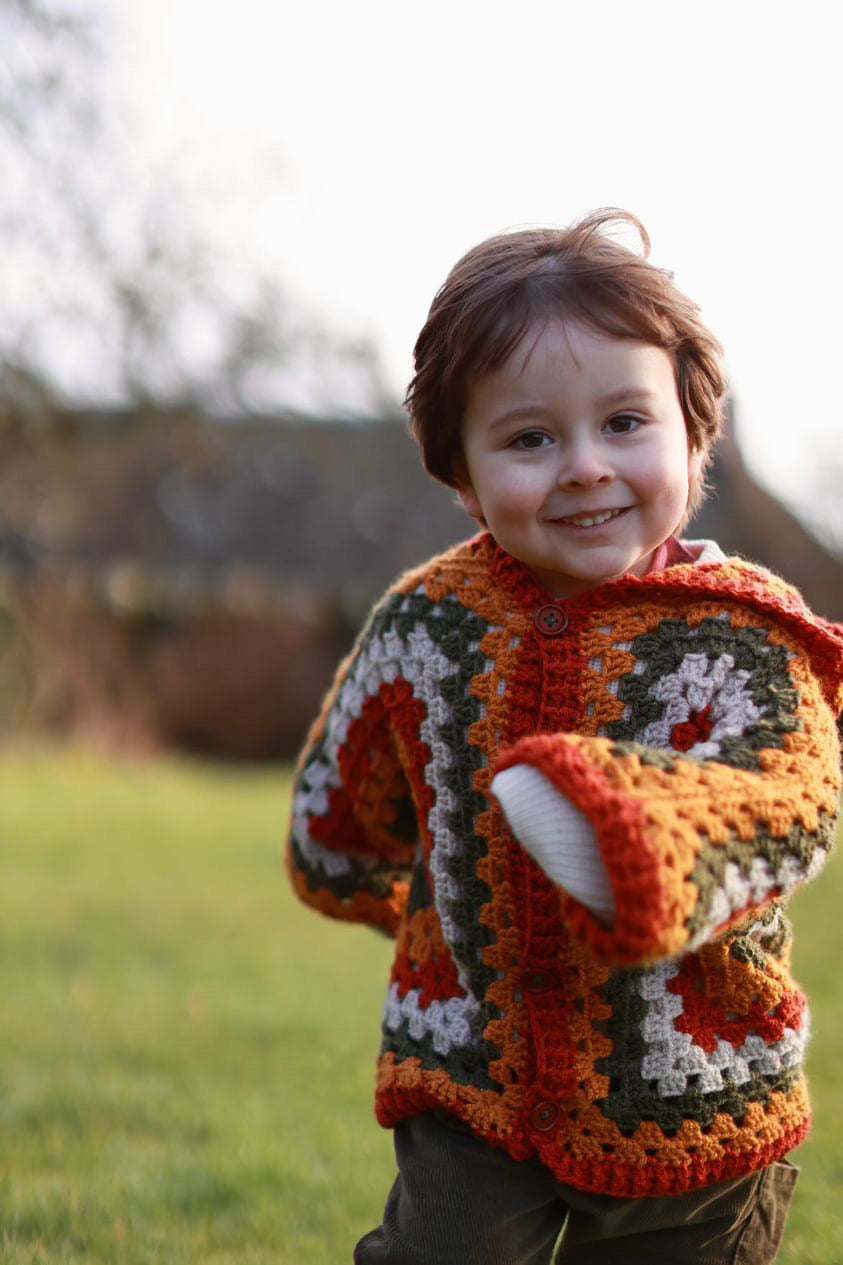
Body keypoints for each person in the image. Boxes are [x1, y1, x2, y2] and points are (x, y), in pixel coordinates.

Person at [285, 209, 843, 1264]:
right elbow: (343, 800)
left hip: (701, 1093)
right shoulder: (426, 627)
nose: (585, 466)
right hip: (479, 1078)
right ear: (462, 472)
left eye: (625, 422)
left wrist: (632, 835)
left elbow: (789, 803)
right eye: (531, 437)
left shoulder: (745, 632)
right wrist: (366, 872)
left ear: (695, 433)